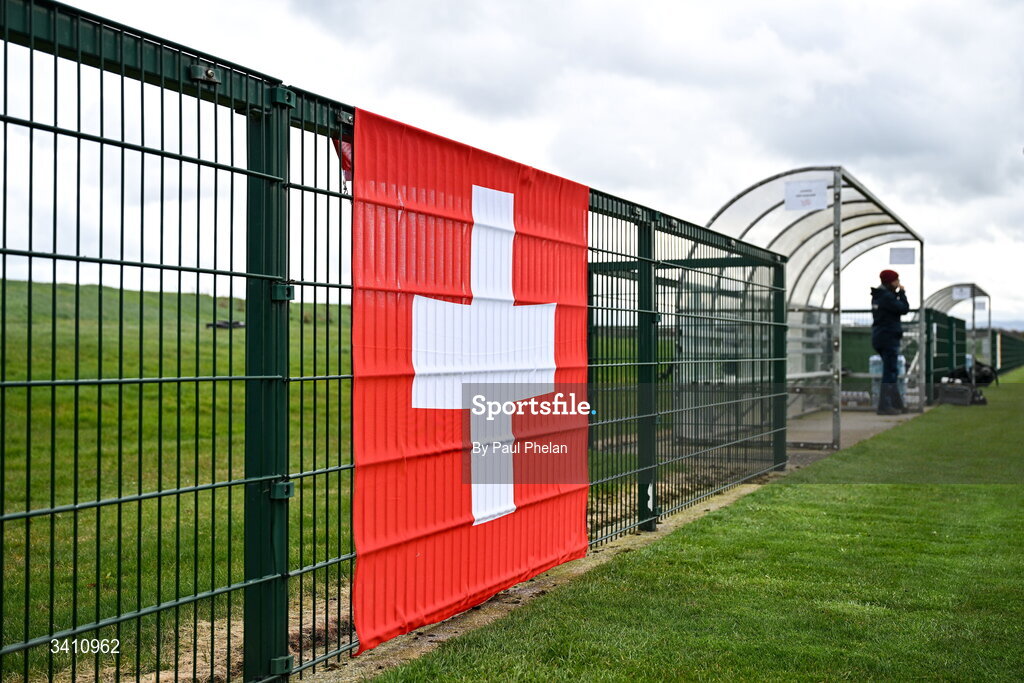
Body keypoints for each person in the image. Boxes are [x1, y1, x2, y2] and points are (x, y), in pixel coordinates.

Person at [871, 269, 910, 415]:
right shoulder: (887, 297)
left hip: (880, 337)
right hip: (888, 337)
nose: (898, 282)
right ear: (890, 281)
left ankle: (897, 404)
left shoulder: (879, 295)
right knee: (890, 373)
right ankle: (885, 406)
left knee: (891, 371)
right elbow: (903, 308)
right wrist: (902, 293)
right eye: (896, 280)